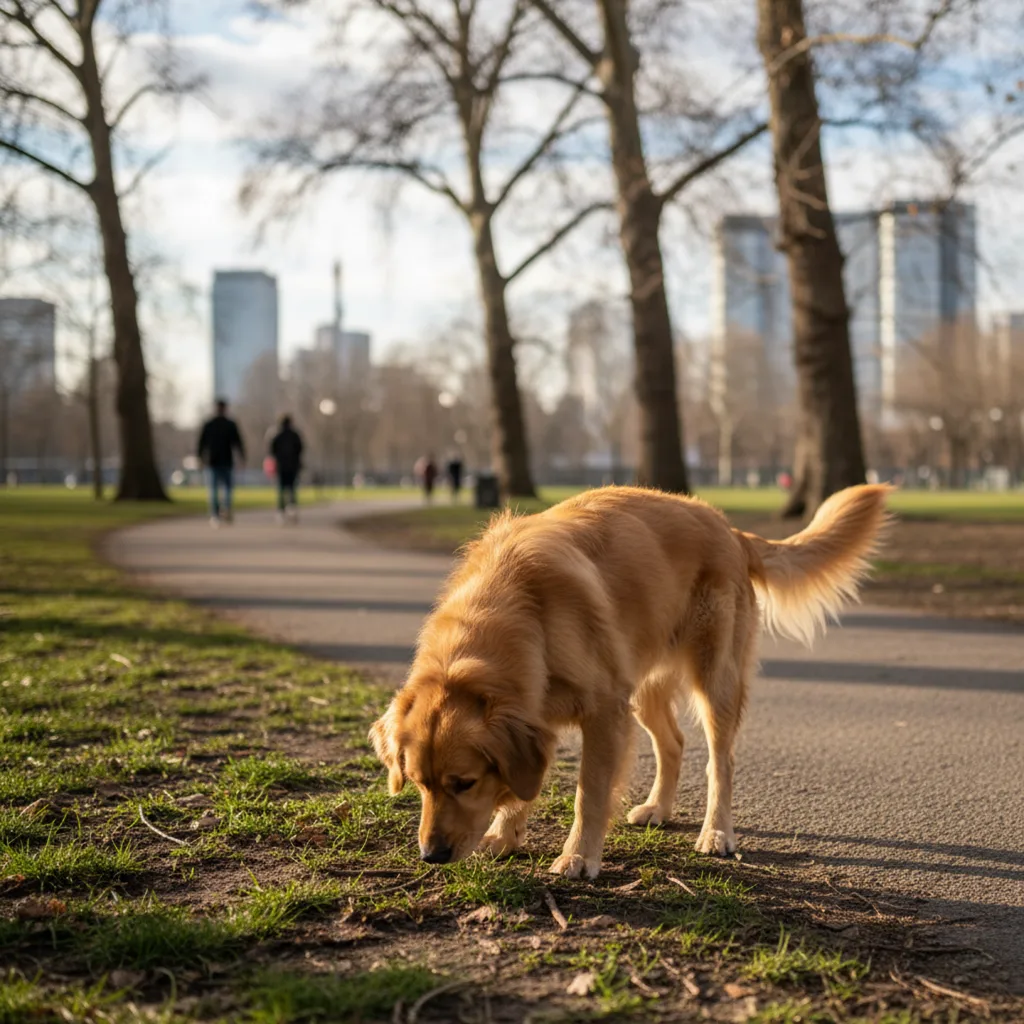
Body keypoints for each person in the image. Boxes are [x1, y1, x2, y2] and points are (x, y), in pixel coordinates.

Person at [197, 399, 245, 526]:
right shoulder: (230, 424)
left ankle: (215, 515)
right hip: (225, 461)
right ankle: (226, 510)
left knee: (213, 489)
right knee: (227, 489)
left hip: (213, 461)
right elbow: (238, 443)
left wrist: (200, 458)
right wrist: (241, 457)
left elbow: (202, 444)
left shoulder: (209, 424)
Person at [269, 414, 304, 523]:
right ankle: (292, 508)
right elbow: (300, 449)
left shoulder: (277, 436)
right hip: (293, 466)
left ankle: (281, 511)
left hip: (281, 466)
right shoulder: (295, 435)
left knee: (281, 489)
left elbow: (272, 450)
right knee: (292, 488)